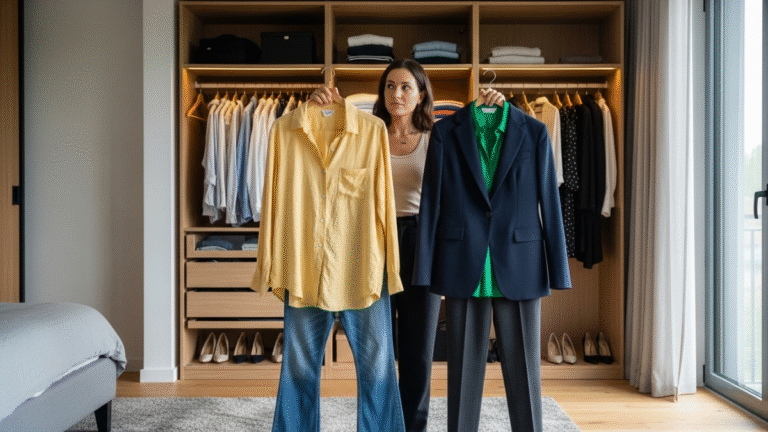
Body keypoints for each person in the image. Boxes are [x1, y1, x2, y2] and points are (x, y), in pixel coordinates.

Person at [310, 59, 506, 432]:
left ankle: (413, 427)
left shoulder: (439, 137)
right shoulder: (364, 133)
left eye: (405, 87)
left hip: (421, 244)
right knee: (376, 350)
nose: (396, 94)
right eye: (389, 86)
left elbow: (460, 191)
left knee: (418, 352)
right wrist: (318, 105)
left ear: (420, 95)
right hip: (372, 242)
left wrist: (493, 102)